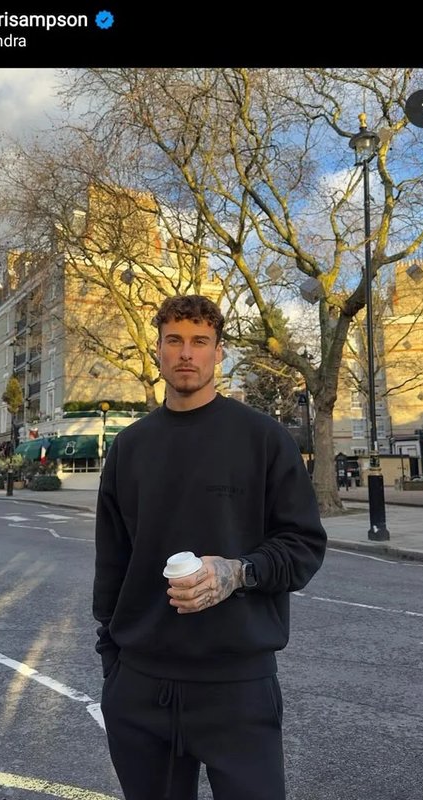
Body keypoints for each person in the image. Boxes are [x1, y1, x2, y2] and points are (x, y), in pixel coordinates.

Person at [93, 295, 327, 800]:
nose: (186, 353)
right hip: (140, 685)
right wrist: (114, 663)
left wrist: (238, 572)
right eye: (174, 340)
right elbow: (112, 563)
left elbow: (304, 545)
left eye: (200, 341)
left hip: (237, 686)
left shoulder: (264, 438)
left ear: (219, 353)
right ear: (157, 350)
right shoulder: (129, 447)